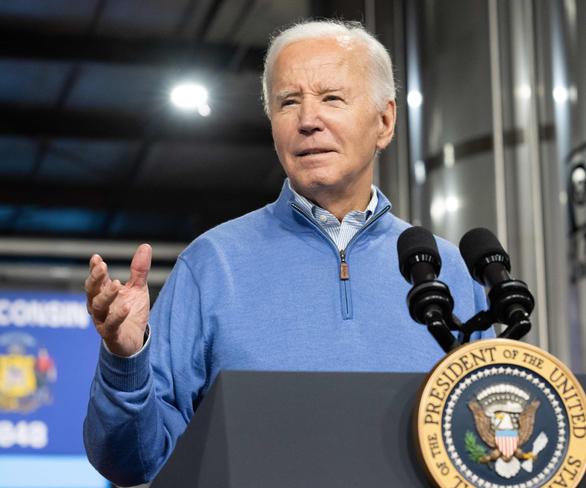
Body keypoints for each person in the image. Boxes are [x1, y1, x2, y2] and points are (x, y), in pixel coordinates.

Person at [83, 19, 492, 486]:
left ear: (384, 121)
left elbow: (490, 442)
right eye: (288, 102)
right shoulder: (212, 264)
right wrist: (125, 361)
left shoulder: (446, 270)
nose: (308, 120)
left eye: (332, 98)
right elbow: (131, 461)